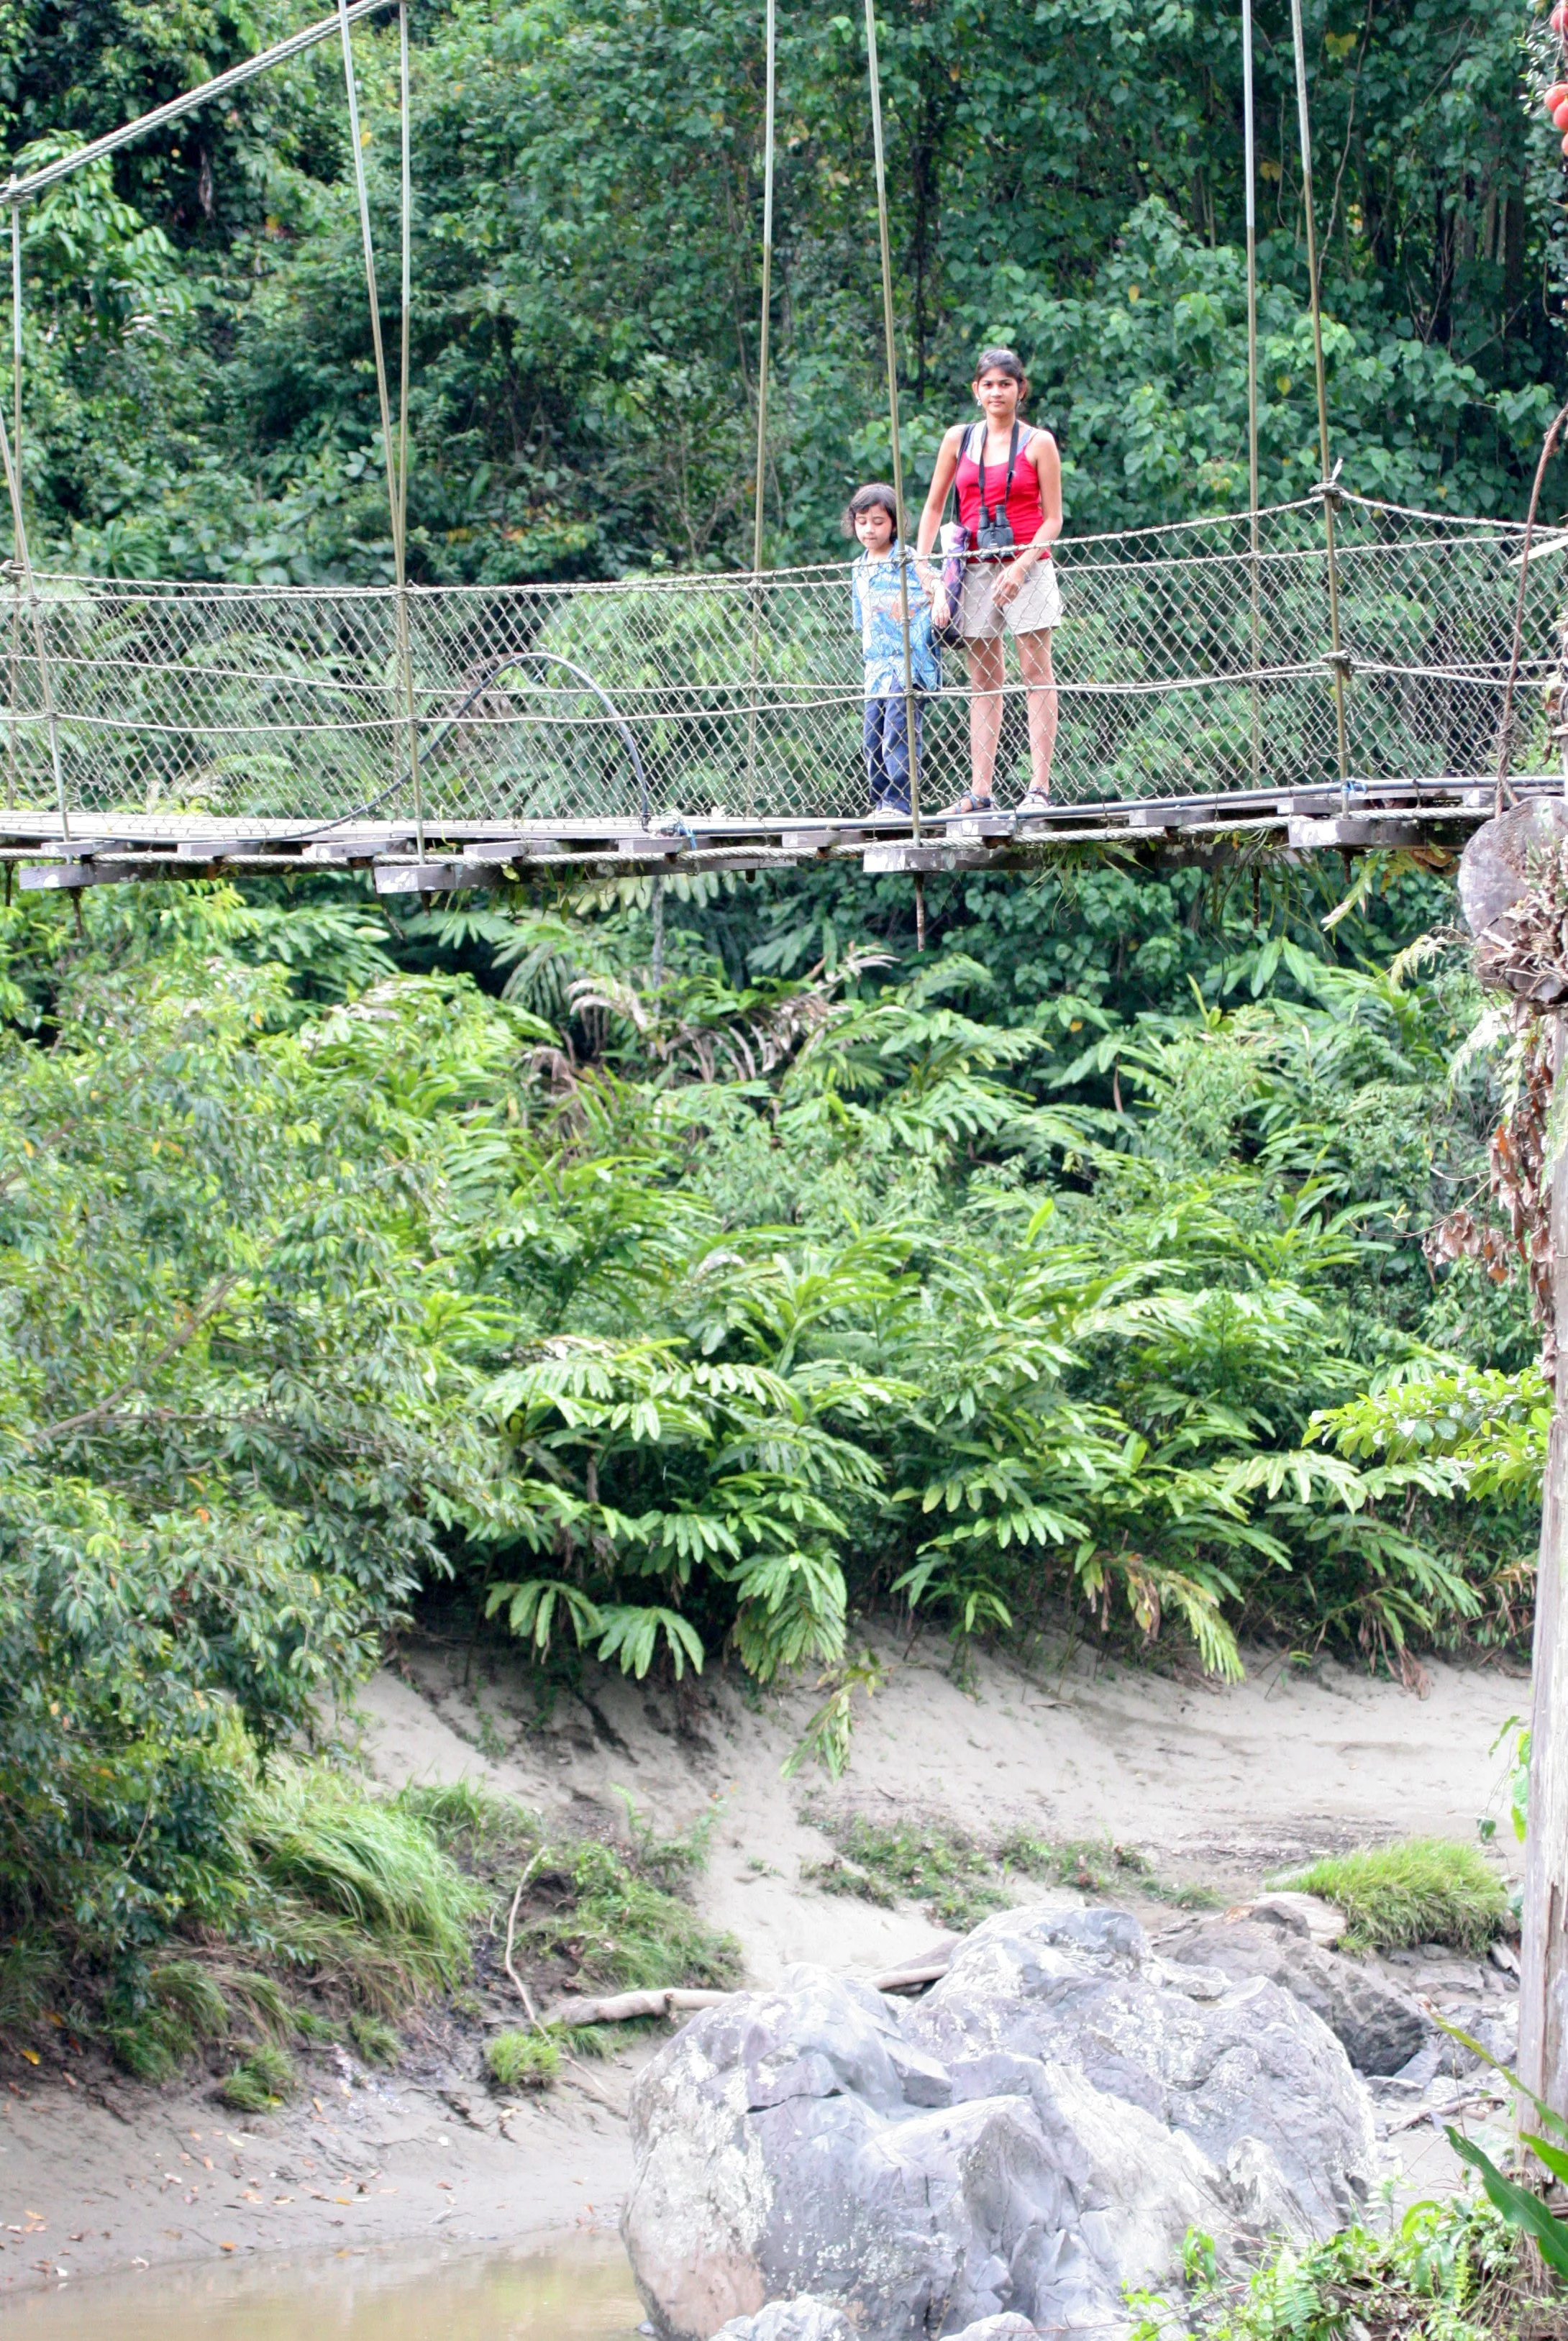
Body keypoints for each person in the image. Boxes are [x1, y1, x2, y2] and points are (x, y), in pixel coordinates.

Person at [914, 347, 1062, 816]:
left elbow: (1053, 518)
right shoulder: (959, 440)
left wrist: (1021, 566)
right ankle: (981, 791)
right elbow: (935, 506)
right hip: (974, 566)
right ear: (976, 391)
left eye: (1006, 383)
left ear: (1021, 389)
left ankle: (1038, 787)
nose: (997, 391)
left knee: (1035, 670)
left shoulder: (1039, 442)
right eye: (988, 384)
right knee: (983, 678)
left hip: (1028, 565)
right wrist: (924, 566)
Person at [845, 481, 939, 816]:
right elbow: (861, 620)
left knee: (899, 730)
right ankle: (881, 801)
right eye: (862, 521)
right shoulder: (858, 567)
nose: (869, 529)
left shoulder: (910, 560)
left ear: (894, 524)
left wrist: (933, 601)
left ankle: (900, 802)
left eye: (878, 521)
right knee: (872, 735)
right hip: (875, 668)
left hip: (909, 662)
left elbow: (937, 587)